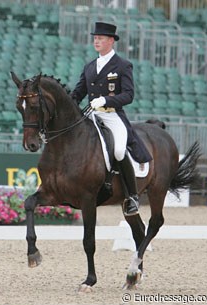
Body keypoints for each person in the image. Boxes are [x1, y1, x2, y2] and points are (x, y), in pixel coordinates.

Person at [71, 22, 152, 216]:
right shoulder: (89, 66)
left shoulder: (123, 65)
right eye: (95, 38)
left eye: (100, 38)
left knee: (117, 150)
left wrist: (106, 99)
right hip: (91, 114)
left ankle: (132, 196)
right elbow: (78, 93)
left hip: (112, 115)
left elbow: (128, 95)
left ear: (111, 41)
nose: (96, 41)